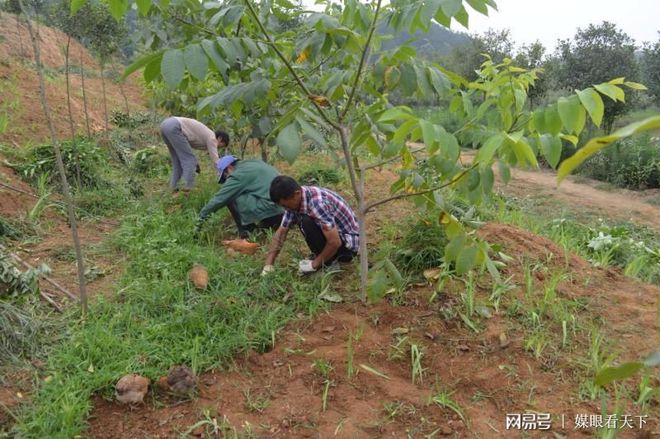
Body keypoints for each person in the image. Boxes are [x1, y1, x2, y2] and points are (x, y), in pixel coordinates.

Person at [262, 175, 359, 276]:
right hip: (335, 238)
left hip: (347, 248)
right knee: (304, 220)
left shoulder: (318, 204)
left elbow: (335, 242)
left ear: (297, 194)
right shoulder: (295, 201)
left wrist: (314, 265)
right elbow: (281, 232)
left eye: (286, 205)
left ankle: (330, 262)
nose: (285, 209)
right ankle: (325, 258)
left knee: (306, 222)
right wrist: (268, 265)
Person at [194, 155, 283, 238]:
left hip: (272, 211)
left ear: (229, 168)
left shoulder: (238, 174)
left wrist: (199, 221)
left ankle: (247, 231)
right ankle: (262, 228)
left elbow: (219, 200)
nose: (227, 180)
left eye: (225, 176)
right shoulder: (255, 163)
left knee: (230, 197)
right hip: (285, 209)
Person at [159, 116, 229, 192]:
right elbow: (216, 161)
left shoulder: (206, 135)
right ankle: (187, 189)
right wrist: (225, 174)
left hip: (165, 125)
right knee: (189, 160)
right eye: (222, 146)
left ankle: (173, 188)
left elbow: (186, 150)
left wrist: (196, 163)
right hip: (175, 126)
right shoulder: (212, 138)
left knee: (178, 161)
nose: (219, 148)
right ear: (220, 139)